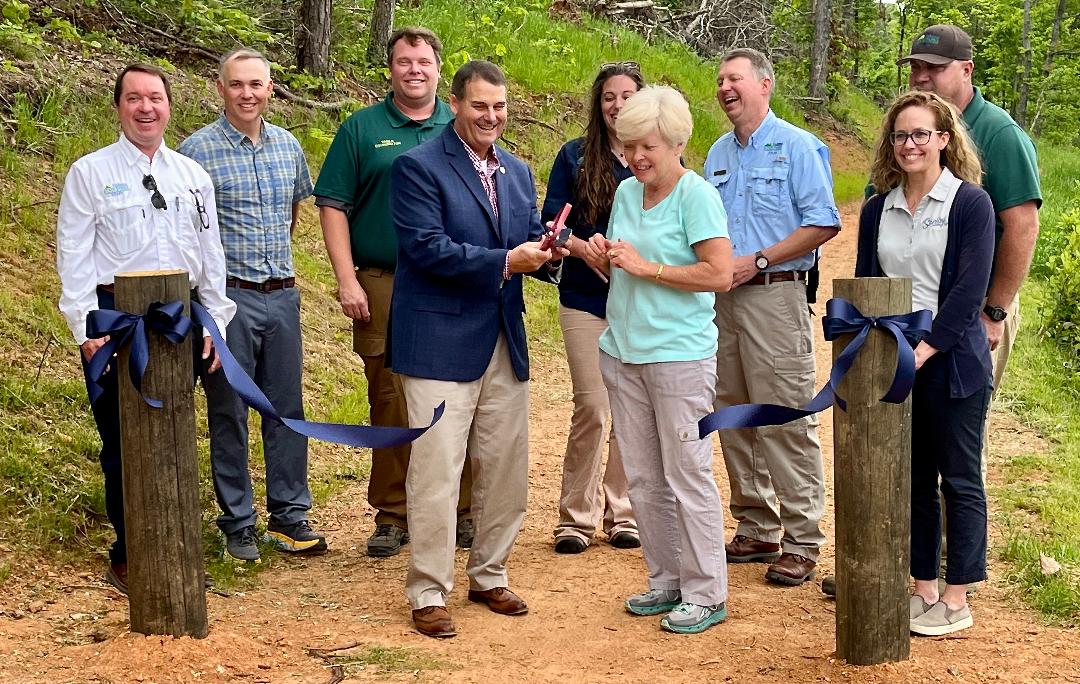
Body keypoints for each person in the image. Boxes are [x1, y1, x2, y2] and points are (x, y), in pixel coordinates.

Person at [388, 60, 566, 639]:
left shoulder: (517, 170)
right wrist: (508, 261)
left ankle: (490, 574)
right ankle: (428, 590)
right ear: (456, 105)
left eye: (500, 106)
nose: (491, 116)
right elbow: (427, 249)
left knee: (506, 467)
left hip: (503, 339)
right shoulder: (417, 167)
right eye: (480, 106)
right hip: (437, 344)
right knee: (437, 472)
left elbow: (526, 236)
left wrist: (552, 250)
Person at [56, 63, 236, 593]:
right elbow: (73, 255)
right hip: (117, 321)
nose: (145, 107)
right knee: (121, 440)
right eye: (133, 98)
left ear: (169, 106)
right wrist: (85, 328)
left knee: (175, 432)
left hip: (179, 320)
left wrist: (216, 320)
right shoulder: (90, 173)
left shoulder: (191, 175)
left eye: (155, 97)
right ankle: (130, 551)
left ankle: (176, 545)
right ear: (118, 107)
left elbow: (210, 253)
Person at [314, 27, 473, 558]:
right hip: (385, 280)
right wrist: (347, 279)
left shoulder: (460, 124)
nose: (414, 70)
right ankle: (392, 513)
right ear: (391, 69)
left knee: (456, 391)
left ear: (439, 69)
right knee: (389, 396)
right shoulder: (362, 129)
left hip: (450, 281)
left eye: (424, 61)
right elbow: (332, 205)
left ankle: (461, 509)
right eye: (404, 61)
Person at [590, 85, 734, 634]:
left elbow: (719, 273)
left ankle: (706, 592)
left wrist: (647, 267)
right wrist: (606, 256)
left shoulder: (697, 196)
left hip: (679, 356)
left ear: (677, 143)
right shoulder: (628, 193)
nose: (636, 157)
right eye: (629, 146)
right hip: (623, 351)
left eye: (647, 146)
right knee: (645, 477)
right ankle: (666, 580)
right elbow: (623, 263)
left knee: (687, 473)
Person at [857, 90, 994, 635]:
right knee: (913, 479)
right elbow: (867, 285)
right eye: (900, 135)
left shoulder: (969, 204)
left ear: (943, 139)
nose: (909, 144)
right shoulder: (878, 208)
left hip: (953, 362)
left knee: (958, 478)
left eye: (920, 134)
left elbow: (969, 290)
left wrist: (927, 348)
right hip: (896, 360)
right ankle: (923, 587)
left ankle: (957, 598)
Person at [179, 48, 324, 561]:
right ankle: (238, 522)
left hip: (281, 295)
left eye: (256, 84)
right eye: (237, 84)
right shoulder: (194, 153)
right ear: (221, 89)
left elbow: (291, 215)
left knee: (286, 407)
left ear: (269, 89)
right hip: (228, 300)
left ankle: (289, 516)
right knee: (229, 409)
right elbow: (187, 234)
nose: (247, 93)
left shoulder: (288, 146)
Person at [704, 47, 840, 587]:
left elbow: (824, 221)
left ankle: (803, 539)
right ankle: (757, 524)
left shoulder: (798, 146)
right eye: (720, 80)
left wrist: (759, 260)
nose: (725, 88)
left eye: (734, 78)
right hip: (722, 302)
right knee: (733, 411)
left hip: (775, 296)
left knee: (784, 414)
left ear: (765, 85)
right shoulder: (717, 153)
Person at [542, 62, 644, 555]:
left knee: (630, 408)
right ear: (597, 104)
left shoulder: (654, 156)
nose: (617, 105)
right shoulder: (575, 155)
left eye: (627, 96)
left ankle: (622, 512)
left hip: (639, 302)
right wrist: (583, 249)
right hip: (584, 299)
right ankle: (575, 518)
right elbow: (550, 224)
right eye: (608, 97)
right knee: (593, 405)